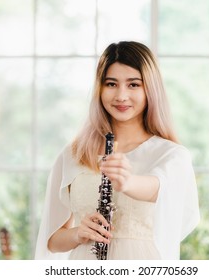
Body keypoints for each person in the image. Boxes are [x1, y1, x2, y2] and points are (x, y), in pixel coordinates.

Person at [35, 41, 199, 260]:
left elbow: (161, 187)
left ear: (150, 89)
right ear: (100, 88)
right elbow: (52, 241)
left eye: (133, 85)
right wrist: (78, 233)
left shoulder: (172, 155)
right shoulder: (73, 153)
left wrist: (128, 181)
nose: (121, 96)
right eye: (111, 84)